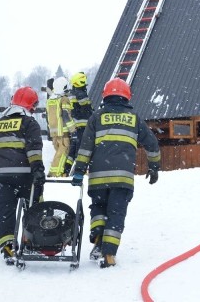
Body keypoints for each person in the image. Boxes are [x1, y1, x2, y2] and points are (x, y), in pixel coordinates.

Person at [71, 77, 161, 268]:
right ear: (126, 97)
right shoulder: (134, 118)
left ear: (106, 96)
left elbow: (85, 147)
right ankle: (109, 255)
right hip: (122, 177)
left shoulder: (96, 117)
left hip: (98, 178)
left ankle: (97, 238)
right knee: (116, 213)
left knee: (98, 208)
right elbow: (152, 143)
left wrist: (79, 171)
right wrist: (153, 167)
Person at [0, 86, 45, 264]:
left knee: (5, 211)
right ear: (31, 105)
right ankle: (31, 241)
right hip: (24, 175)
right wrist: (38, 171)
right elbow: (34, 150)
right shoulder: (29, 123)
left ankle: (8, 246)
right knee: (33, 207)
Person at [45, 76, 75, 177]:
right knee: (63, 153)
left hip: (54, 132)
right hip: (63, 132)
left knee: (58, 152)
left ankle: (54, 171)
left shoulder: (50, 100)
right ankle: (55, 173)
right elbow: (66, 115)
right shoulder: (64, 99)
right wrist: (73, 129)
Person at [67, 71, 93, 168]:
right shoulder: (81, 94)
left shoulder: (71, 94)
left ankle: (67, 168)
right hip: (83, 126)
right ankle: (79, 167)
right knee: (81, 147)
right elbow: (87, 109)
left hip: (75, 125)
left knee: (74, 147)